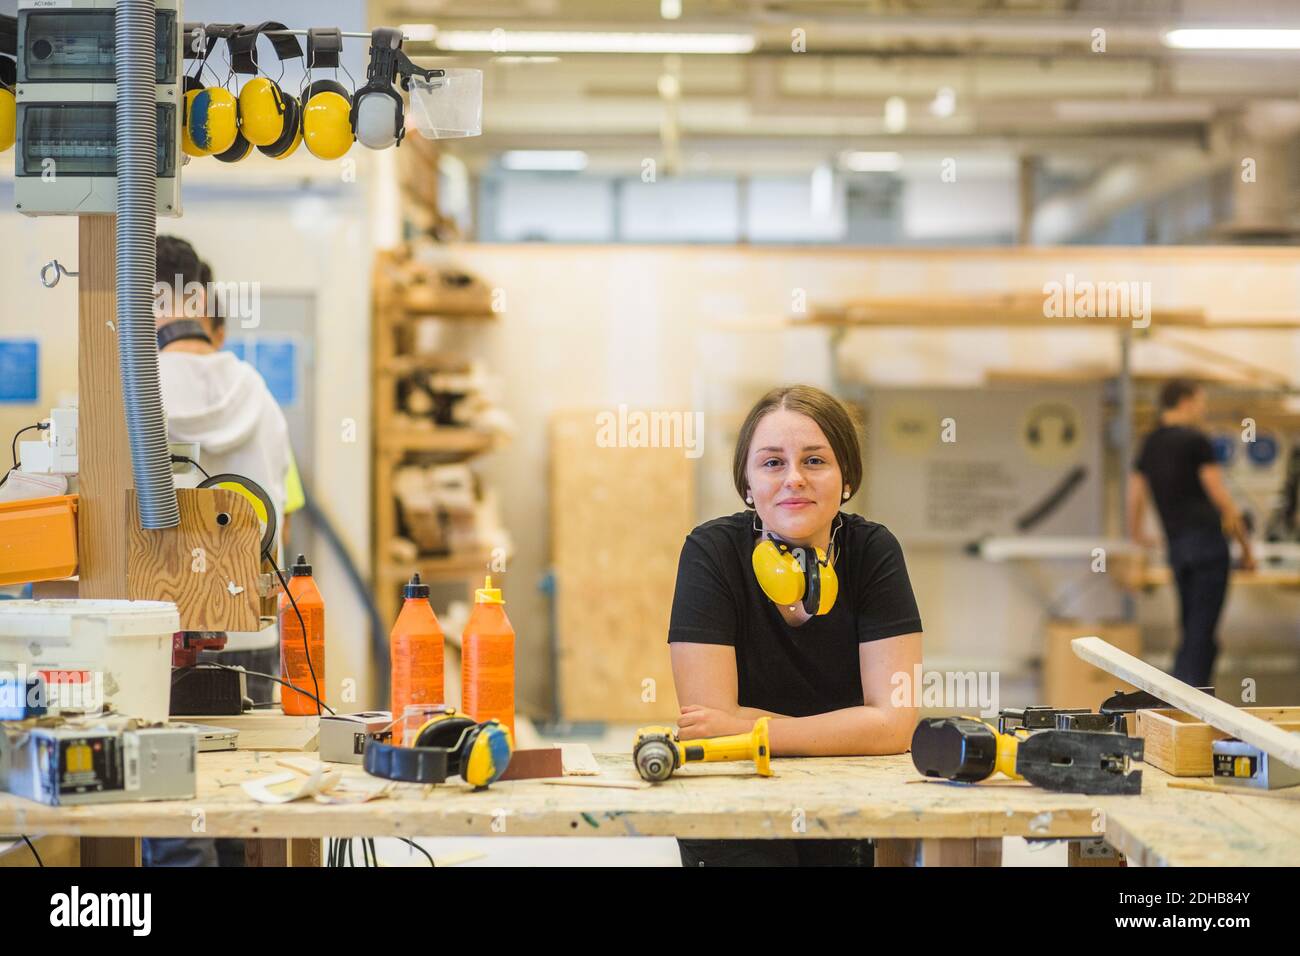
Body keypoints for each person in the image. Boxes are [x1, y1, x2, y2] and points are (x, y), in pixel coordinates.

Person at [667, 385, 923, 866]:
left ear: (846, 477)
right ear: (747, 484)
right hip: (734, 802)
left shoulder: (873, 552)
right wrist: (850, 730)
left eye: (814, 461)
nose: (794, 479)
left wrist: (746, 728)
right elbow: (709, 729)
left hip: (851, 801)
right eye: (771, 463)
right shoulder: (711, 553)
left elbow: (894, 725)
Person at [143, 236, 302, 866]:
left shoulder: (130, 389)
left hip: (159, 645)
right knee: (246, 806)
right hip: (251, 640)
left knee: (171, 822)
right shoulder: (260, 396)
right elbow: (277, 518)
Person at [1128, 379, 1254, 688]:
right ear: (1184, 401)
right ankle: (1187, 700)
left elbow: (1135, 495)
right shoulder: (1196, 441)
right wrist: (1246, 549)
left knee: (1192, 630)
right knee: (1201, 634)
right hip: (1208, 545)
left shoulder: (1150, 443)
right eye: (1200, 402)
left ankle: (1184, 695)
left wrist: (1137, 534)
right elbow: (1221, 498)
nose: (1203, 409)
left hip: (1178, 547)